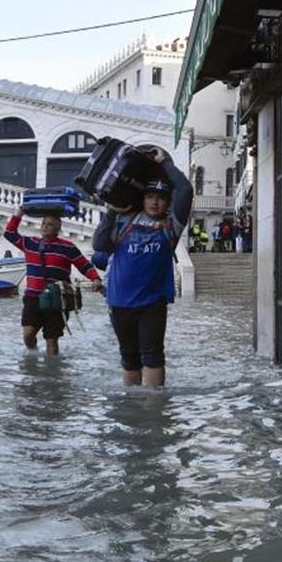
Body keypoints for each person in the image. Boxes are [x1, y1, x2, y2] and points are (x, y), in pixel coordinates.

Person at [92, 145, 193, 388]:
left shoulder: (172, 226)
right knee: (129, 358)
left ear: (168, 202)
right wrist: (111, 211)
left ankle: (153, 411)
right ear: (143, 198)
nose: (155, 202)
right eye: (150, 197)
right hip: (119, 302)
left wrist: (165, 163)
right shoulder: (123, 220)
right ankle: (132, 408)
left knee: (153, 356)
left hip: (152, 303)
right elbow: (99, 244)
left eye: (160, 198)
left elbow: (186, 189)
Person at [4, 210, 103, 356]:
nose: (45, 227)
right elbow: (9, 233)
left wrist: (95, 278)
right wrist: (19, 213)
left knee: (52, 341)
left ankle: (51, 374)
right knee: (28, 336)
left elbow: (84, 265)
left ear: (58, 228)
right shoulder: (30, 243)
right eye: (43, 223)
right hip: (32, 298)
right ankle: (33, 356)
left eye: (50, 224)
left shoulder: (68, 247)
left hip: (57, 300)